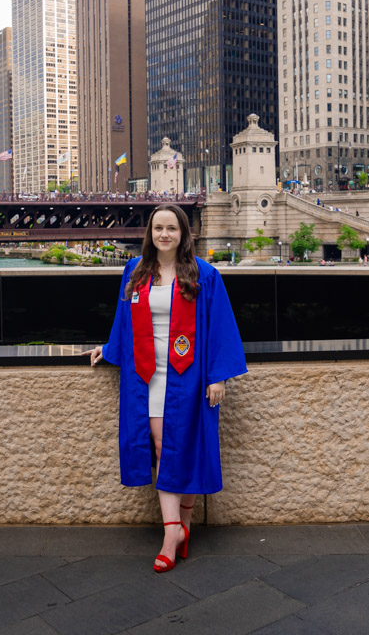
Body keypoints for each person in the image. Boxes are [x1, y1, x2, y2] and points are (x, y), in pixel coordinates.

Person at [85, 204, 247, 573]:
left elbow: (221, 327)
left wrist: (217, 375)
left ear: (183, 233)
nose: (164, 235)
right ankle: (173, 530)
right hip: (147, 374)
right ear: (150, 233)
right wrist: (107, 349)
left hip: (187, 376)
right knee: (161, 445)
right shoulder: (136, 272)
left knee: (184, 446)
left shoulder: (204, 275)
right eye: (158, 228)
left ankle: (181, 525)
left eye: (171, 228)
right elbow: (122, 322)